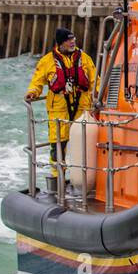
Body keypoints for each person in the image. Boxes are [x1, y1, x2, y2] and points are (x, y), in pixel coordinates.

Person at [25, 27, 97, 190]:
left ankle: (85, 178)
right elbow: (38, 81)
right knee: (58, 145)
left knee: (86, 143)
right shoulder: (47, 61)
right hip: (58, 110)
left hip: (82, 108)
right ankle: (57, 180)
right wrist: (32, 93)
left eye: (73, 39)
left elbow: (94, 80)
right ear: (60, 43)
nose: (72, 42)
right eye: (68, 40)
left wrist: (98, 95)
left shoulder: (84, 58)